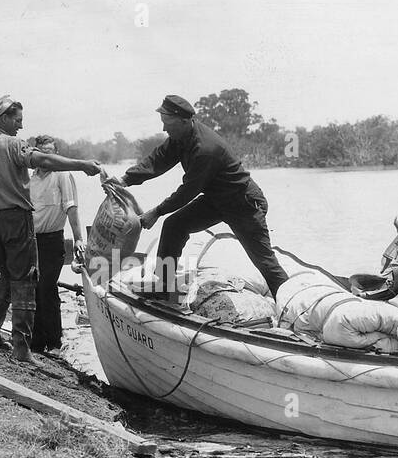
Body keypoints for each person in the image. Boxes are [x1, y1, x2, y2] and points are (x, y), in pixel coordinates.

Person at [112, 94, 289, 306]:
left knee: (263, 260)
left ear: (184, 121)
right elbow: (158, 159)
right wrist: (125, 179)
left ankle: (291, 306)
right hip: (216, 200)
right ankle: (162, 288)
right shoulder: (181, 137)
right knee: (174, 226)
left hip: (242, 202)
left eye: (167, 124)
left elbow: (188, 191)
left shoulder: (205, 148)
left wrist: (156, 212)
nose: (164, 129)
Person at [0, 96, 101, 362]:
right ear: (3, 117)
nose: (20, 126)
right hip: (16, 219)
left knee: (6, 276)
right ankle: (22, 347)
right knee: (26, 280)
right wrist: (82, 164)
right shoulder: (13, 144)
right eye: (17, 120)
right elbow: (44, 161)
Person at [27, 134, 85, 353]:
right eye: (42, 153)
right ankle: (36, 342)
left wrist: (78, 238)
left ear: (56, 155)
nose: (47, 157)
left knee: (47, 289)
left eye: (51, 153)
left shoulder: (62, 175)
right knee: (33, 289)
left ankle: (54, 343)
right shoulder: (30, 178)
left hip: (52, 241)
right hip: (31, 242)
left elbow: (71, 208)